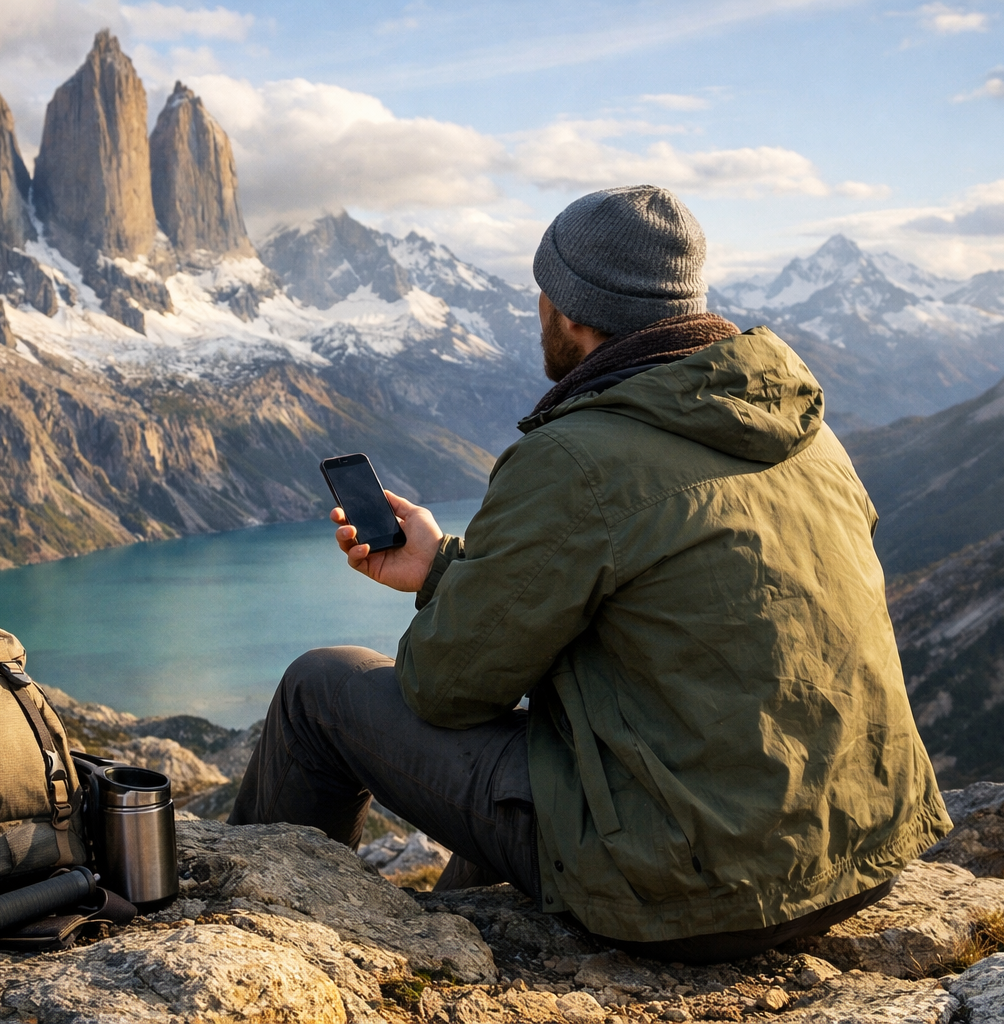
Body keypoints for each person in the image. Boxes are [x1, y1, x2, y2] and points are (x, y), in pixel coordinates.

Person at [229, 185, 951, 962]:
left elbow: (447, 687)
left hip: (692, 890)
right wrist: (443, 569)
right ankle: (452, 946)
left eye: (543, 294)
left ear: (570, 312)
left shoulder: (577, 458)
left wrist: (458, 600)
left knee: (319, 686)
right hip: (858, 853)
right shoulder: (803, 425)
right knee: (559, 740)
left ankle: (248, 934)